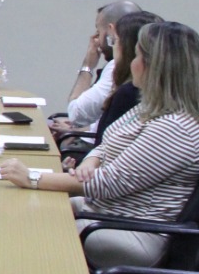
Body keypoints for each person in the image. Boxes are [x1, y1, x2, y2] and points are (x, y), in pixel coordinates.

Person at [0, 21, 199, 268]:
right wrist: (92, 160)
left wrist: (32, 178)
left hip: (133, 231)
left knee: (32, 226)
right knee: (18, 208)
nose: (131, 62)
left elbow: (107, 183)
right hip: (106, 212)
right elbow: (107, 143)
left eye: (137, 55)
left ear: (154, 67)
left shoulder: (175, 127)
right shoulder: (149, 107)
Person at [60, 11, 162, 161]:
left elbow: (78, 115)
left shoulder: (128, 91)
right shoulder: (135, 89)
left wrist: (87, 66)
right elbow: (114, 134)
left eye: (114, 40)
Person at [51, 0, 141, 136]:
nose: (96, 40)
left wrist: (87, 66)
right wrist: (79, 129)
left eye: (98, 32)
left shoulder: (116, 67)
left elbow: (77, 114)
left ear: (111, 32)